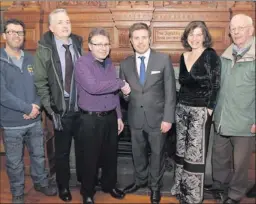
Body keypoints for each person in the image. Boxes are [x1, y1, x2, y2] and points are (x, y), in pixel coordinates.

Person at [0, 19, 57, 204]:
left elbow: (42, 86)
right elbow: (2, 95)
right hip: (12, 124)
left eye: (20, 32)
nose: (16, 36)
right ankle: (17, 192)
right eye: (12, 32)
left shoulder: (33, 60)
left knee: (39, 156)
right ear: (4, 36)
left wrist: (36, 107)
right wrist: (27, 108)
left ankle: (40, 182)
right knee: (15, 162)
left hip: (34, 121)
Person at [120, 22, 176, 204]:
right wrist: (125, 95)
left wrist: (168, 118)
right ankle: (140, 181)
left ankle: (155, 187)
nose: (140, 41)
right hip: (135, 118)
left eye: (144, 37)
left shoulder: (163, 59)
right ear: (131, 41)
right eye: (136, 38)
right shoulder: (125, 64)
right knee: (137, 154)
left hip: (158, 119)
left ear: (150, 38)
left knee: (158, 154)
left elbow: (170, 92)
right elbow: (124, 95)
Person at [33, 9, 83, 202]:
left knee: (82, 149)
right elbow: (40, 82)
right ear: (51, 28)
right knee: (62, 153)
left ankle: (82, 180)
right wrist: (51, 110)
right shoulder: (44, 49)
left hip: (81, 108)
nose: (65, 25)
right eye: (60, 22)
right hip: (60, 110)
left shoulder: (78, 43)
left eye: (67, 21)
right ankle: (63, 186)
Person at [206, 14, 255, 204]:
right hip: (222, 119)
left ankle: (234, 195)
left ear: (251, 30)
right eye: (233, 29)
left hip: (245, 122)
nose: (236, 32)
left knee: (240, 164)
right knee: (219, 158)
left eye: (241, 28)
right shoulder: (225, 56)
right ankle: (219, 187)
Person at [170, 21, 221, 204]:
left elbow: (216, 84)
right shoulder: (184, 56)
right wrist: (178, 108)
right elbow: (183, 85)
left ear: (204, 36)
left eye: (199, 34)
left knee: (195, 154)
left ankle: (192, 196)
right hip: (182, 109)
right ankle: (180, 187)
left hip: (200, 111)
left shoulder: (210, 56)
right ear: (187, 37)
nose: (195, 38)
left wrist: (209, 109)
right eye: (191, 34)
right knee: (181, 151)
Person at [75, 28, 127, 204]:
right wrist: (120, 83)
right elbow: (93, 87)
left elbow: (113, 94)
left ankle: (109, 185)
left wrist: (119, 116)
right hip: (91, 119)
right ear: (90, 46)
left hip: (110, 117)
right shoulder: (82, 63)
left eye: (106, 44)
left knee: (110, 155)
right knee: (90, 157)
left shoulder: (109, 63)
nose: (103, 48)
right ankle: (87, 192)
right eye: (98, 44)